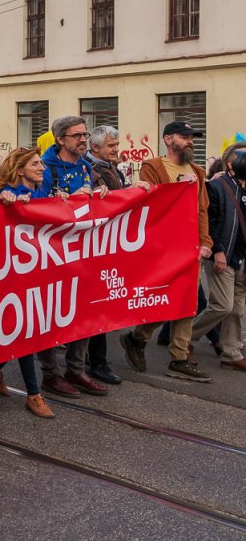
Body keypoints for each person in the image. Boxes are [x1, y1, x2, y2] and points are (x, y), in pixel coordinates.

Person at [120, 120, 214, 382]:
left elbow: (201, 209)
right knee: (163, 300)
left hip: (191, 247)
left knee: (187, 303)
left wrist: (205, 241)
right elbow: (149, 206)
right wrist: (176, 189)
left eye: (192, 137)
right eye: (185, 137)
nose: (190, 141)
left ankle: (179, 357)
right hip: (164, 247)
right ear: (168, 139)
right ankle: (137, 338)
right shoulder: (153, 167)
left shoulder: (197, 171)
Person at [35, 117, 110, 398]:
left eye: (84, 134)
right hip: (51, 254)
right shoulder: (44, 167)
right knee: (50, 313)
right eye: (76, 135)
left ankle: (76, 370)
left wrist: (101, 195)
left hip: (81, 251)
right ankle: (50, 374)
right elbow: (37, 207)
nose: (83, 140)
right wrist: (68, 198)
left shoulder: (85, 165)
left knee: (84, 310)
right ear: (60, 140)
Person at [0, 146, 62, 419]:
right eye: (35, 164)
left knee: (23, 330)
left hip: (39, 273)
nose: (42, 168)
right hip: (13, 275)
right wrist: (5, 198)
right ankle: (34, 394)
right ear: (20, 170)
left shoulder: (43, 192)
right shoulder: (8, 195)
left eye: (42, 163)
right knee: (26, 333)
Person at [187, 143, 246, 372]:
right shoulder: (217, 187)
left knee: (237, 308)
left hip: (242, 257)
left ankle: (231, 353)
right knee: (222, 305)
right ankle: (185, 339)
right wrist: (218, 250)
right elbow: (210, 222)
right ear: (231, 163)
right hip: (223, 254)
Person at [84, 125, 130, 385]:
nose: (116, 149)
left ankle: (94, 360)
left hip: (107, 245)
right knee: (96, 306)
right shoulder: (92, 170)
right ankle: (96, 362)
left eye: (116, 144)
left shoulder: (108, 168)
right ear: (96, 147)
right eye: (111, 146)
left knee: (102, 305)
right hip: (95, 246)